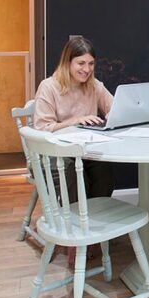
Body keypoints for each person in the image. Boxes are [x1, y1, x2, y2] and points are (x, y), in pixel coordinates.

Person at [33, 36, 116, 200]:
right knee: (75, 174)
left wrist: (113, 115)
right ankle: (74, 214)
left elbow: (115, 108)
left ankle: (94, 212)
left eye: (91, 63)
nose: (87, 69)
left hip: (83, 150)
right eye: (81, 63)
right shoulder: (48, 86)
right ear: (68, 63)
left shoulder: (94, 85)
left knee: (104, 170)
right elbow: (43, 128)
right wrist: (74, 121)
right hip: (54, 152)